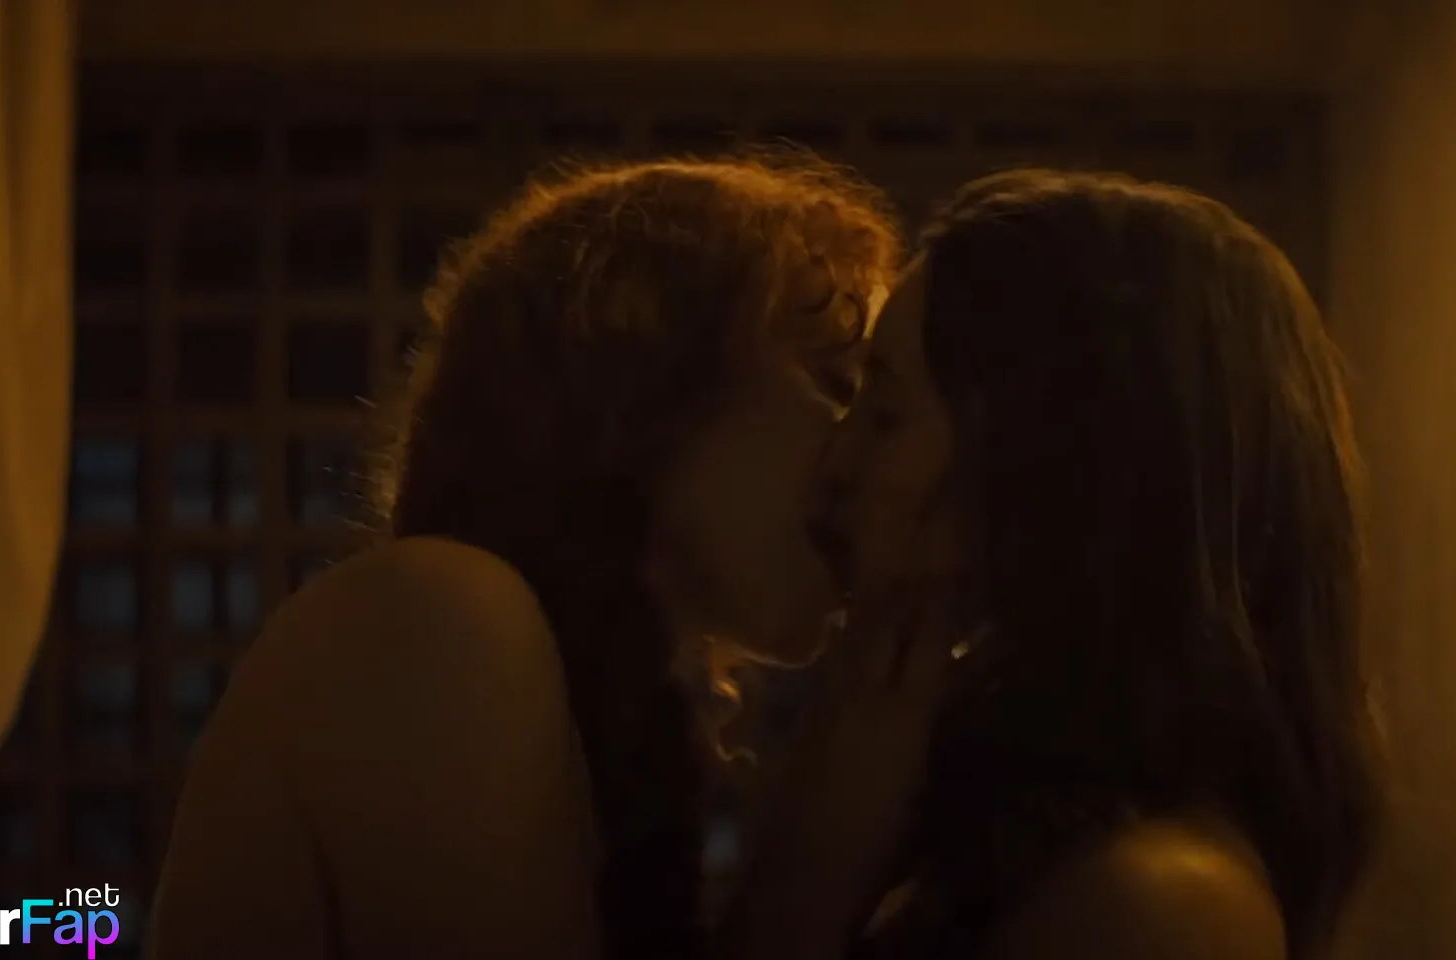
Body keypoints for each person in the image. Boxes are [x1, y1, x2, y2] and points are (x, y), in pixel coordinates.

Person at [144, 156, 908, 960]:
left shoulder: (607, 712)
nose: (867, 455)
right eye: (838, 387)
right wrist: (835, 819)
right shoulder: (435, 613)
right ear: (644, 384)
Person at [815, 169, 1385, 960]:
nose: (836, 463)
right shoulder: (972, 792)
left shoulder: (1157, 905)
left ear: (1056, 468)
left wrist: (810, 871)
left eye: (884, 414)